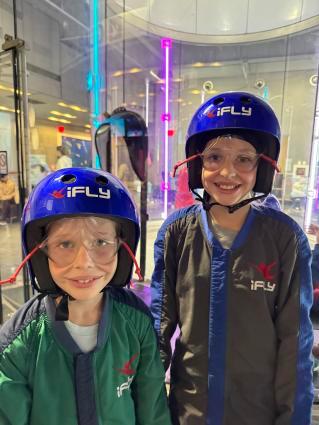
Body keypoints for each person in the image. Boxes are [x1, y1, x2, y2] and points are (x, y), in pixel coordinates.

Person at [151, 91, 313, 425]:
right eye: (214, 157)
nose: (228, 172)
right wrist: (147, 411)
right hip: (189, 411)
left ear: (261, 167)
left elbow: (295, 344)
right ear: (198, 163)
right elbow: (158, 329)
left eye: (244, 159)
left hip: (257, 413)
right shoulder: (176, 234)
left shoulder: (285, 239)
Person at [0, 167, 172, 425]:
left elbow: (153, 411)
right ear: (40, 252)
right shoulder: (20, 341)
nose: (84, 263)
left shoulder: (136, 323)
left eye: (101, 243)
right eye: (65, 244)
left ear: (122, 250)